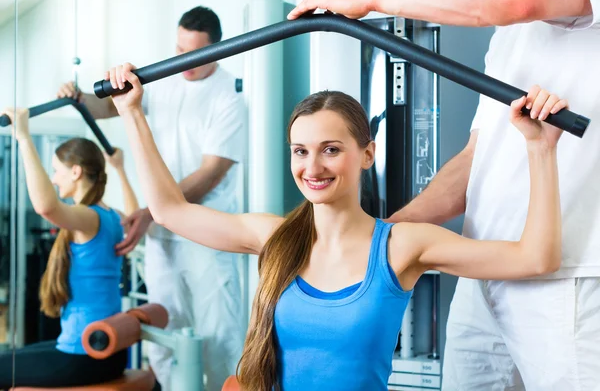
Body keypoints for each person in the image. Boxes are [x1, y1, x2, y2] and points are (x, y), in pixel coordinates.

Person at [107, 59, 567, 390]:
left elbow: (536, 257)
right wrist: (131, 112)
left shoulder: (400, 246)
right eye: (300, 151)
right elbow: (169, 210)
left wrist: (540, 148)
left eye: (331, 149)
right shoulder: (273, 237)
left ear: (367, 153)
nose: (313, 167)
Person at [290, 0, 600, 389]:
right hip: (485, 268)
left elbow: (517, 3)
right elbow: (475, 161)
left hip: (567, 278)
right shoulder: (508, 38)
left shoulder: (525, 6)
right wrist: (377, 239)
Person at [57, 6, 247, 391]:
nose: (184, 61)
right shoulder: (163, 76)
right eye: (178, 50)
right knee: (163, 331)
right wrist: (78, 98)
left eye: (194, 53)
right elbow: (108, 106)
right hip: (162, 235)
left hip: (206, 235)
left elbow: (211, 172)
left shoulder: (229, 95)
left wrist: (152, 212)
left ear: (218, 50)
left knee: (219, 338)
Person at [0, 108, 138, 389]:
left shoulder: (89, 217)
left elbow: (45, 206)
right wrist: (120, 169)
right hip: (103, 351)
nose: (52, 178)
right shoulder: (110, 216)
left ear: (75, 172)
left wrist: (23, 137)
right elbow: (136, 217)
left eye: (55, 170)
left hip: (85, 354)